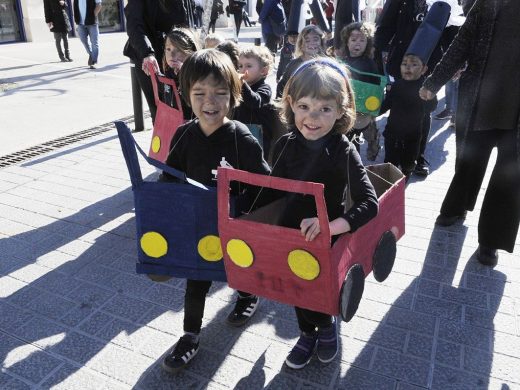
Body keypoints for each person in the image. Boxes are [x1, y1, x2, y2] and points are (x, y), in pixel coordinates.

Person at [159, 49, 271, 372]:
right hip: (200, 228)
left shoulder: (241, 138)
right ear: (187, 95)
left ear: (234, 95)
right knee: (196, 283)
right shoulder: (183, 135)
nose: (210, 102)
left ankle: (249, 296)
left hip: (236, 227)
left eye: (220, 93)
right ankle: (190, 335)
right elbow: (170, 176)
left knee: (240, 269)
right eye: (200, 93)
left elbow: (264, 184)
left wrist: (249, 215)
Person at [267, 58, 378, 369]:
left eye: (324, 109)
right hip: (290, 236)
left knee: (315, 289)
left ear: (341, 110)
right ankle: (306, 333)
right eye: (303, 106)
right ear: (290, 104)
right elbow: (272, 190)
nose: (312, 118)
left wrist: (332, 225)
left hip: (325, 240)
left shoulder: (343, 149)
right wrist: (234, 184)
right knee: (296, 290)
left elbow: (370, 203)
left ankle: (326, 328)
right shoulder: (286, 144)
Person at [419, 0, 520, 266]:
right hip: (480, 101)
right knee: (468, 161)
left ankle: (492, 240)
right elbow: (462, 42)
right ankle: (456, 207)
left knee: (509, 178)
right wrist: (434, 81)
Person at [124, 0, 190, 123]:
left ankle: (182, 138)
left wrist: (185, 51)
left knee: (183, 105)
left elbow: (184, 23)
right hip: (148, 55)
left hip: (174, 51)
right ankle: (163, 139)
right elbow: (134, 24)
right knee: (159, 109)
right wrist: (147, 53)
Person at [379, 54, 437, 178]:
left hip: (413, 136)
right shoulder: (397, 86)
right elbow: (387, 104)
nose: (408, 67)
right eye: (404, 64)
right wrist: (373, 111)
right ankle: (390, 191)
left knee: (408, 165)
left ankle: (404, 182)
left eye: (414, 64)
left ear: (424, 69)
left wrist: (431, 96)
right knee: (389, 164)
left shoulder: (424, 87)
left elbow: (431, 108)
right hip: (392, 134)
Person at [340, 22, 381, 160]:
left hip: (361, 112)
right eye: (353, 40)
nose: (358, 43)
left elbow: (375, 88)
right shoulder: (342, 61)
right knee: (346, 140)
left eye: (362, 40)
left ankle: (366, 151)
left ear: (367, 43)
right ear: (346, 42)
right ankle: (349, 162)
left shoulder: (369, 63)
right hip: (344, 110)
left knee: (358, 138)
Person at [234, 46, 274, 154]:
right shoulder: (240, 87)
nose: (242, 70)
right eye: (240, 66)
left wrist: (242, 84)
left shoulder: (264, 88)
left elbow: (255, 101)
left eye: (249, 66)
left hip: (258, 135)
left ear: (263, 71)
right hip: (241, 131)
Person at [276, 25, 328, 98]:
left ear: (321, 42)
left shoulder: (328, 64)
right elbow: (282, 88)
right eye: (307, 40)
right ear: (301, 45)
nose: (312, 43)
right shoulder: (293, 65)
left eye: (315, 39)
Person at [161, 28, 200, 120]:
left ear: (191, 51)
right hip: (174, 120)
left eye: (178, 49)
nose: (171, 55)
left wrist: (185, 72)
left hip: (192, 122)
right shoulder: (169, 71)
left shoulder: (197, 73)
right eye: (168, 49)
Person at [74, 0, 101, 69]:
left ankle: (94, 61)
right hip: (80, 23)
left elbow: (99, 5)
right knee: (83, 40)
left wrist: (93, 16)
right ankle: (91, 54)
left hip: (92, 23)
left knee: (94, 42)